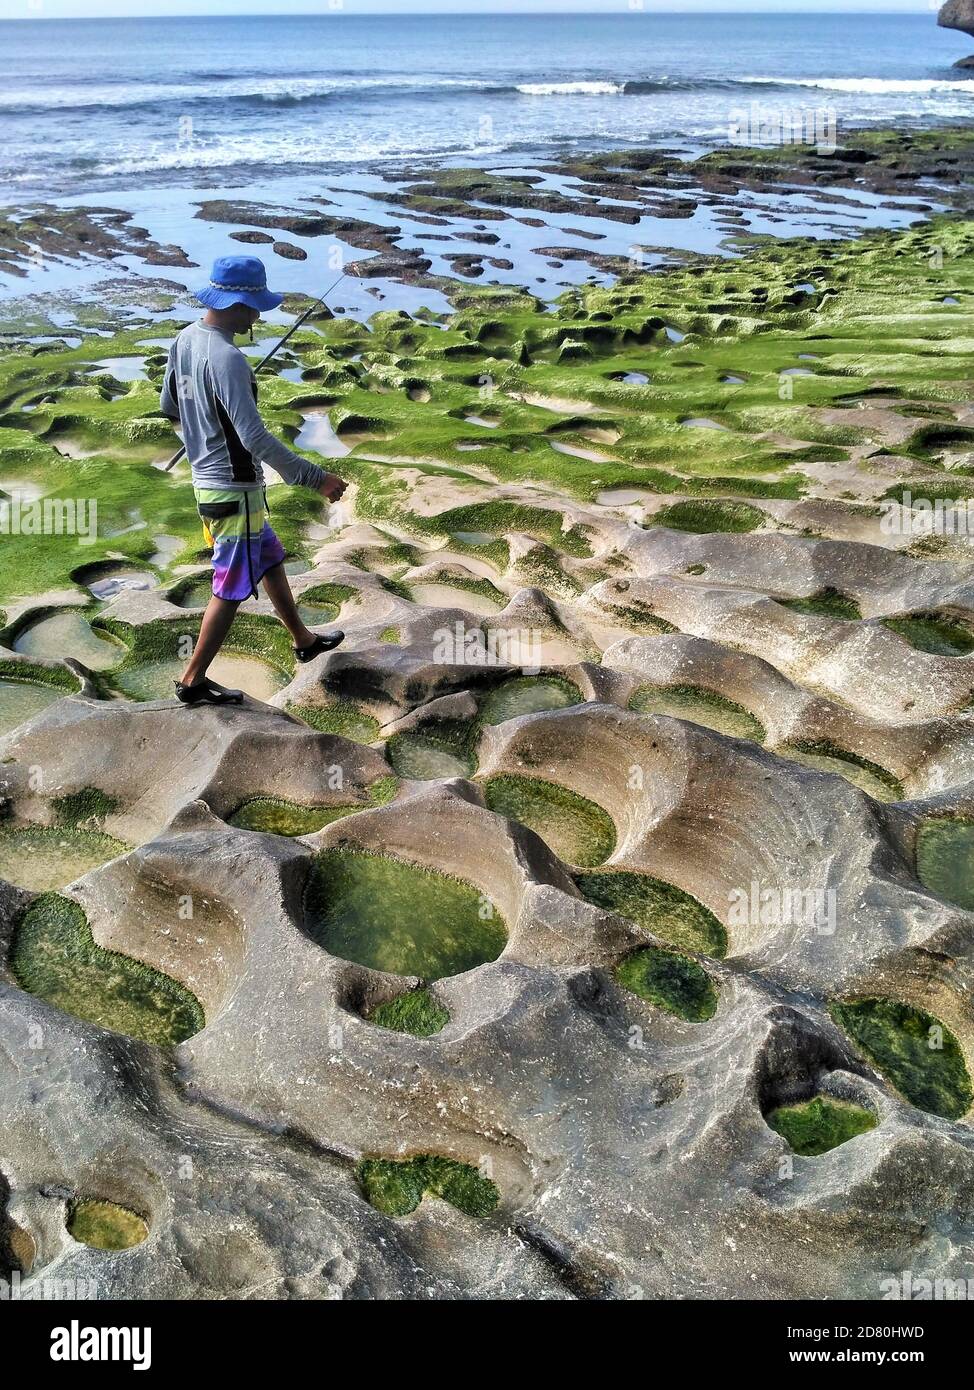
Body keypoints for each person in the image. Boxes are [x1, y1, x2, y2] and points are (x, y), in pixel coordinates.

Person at [160, 254, 347, 707]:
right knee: (230, 586)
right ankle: (193, 680)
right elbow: (253, 436)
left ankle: (303, 640)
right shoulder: (229, 360)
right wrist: (314, 477)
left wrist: (205, 421)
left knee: (268, 555)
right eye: (256, 306)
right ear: (240, 304)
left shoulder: (186, 339)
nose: (260, 315)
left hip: (206, 482)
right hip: (234, 489)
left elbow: (170, 405)